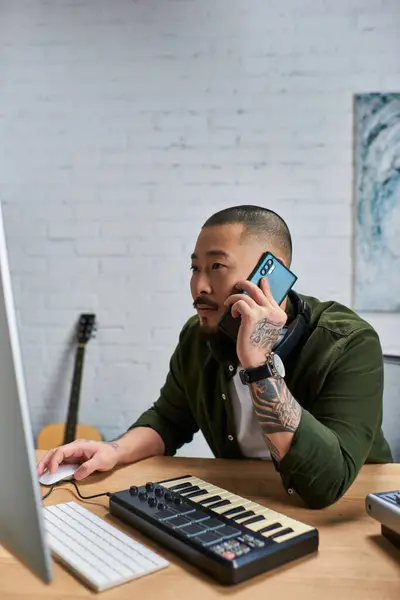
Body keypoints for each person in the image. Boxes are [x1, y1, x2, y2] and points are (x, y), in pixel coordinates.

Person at [37, 205, 393, 509]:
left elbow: (325, 486)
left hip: (353, 508)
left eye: (216, 267)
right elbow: (169, 419)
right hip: (248, 503)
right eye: (195, 268)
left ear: (271, 273)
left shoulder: (348, 342)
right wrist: (113, 449)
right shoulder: (199, 336)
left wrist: (258, 364)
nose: (199, 286)